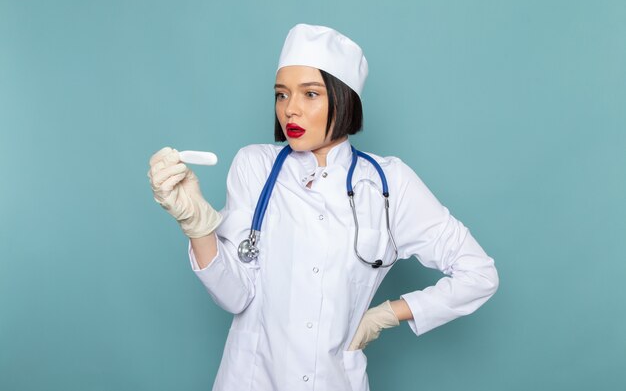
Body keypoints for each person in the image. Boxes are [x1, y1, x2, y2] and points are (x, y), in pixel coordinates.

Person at [147, 24, 499, 391]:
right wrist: (198, 225)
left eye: (310, 94)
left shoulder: (388, 183)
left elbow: (479, 274)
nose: (290, 110)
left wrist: (385, 315)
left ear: (343, 99)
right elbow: (235, 296)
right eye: (281, 95)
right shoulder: (255, 166)